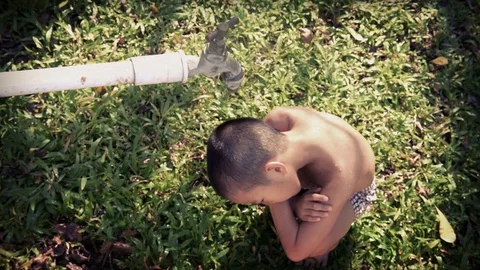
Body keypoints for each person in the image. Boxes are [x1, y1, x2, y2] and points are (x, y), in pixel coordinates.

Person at [206, 106, 377, 266]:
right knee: (290, 203)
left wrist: (284, 205)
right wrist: (296, 205)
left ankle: (323, 237)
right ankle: (292, 199)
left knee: (315, 247)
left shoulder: (341, 173)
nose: (263, 204)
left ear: (276, 169)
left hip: (351, 192)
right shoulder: (277, 121)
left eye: (262, 199)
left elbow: (296, 251)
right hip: (304, 173)